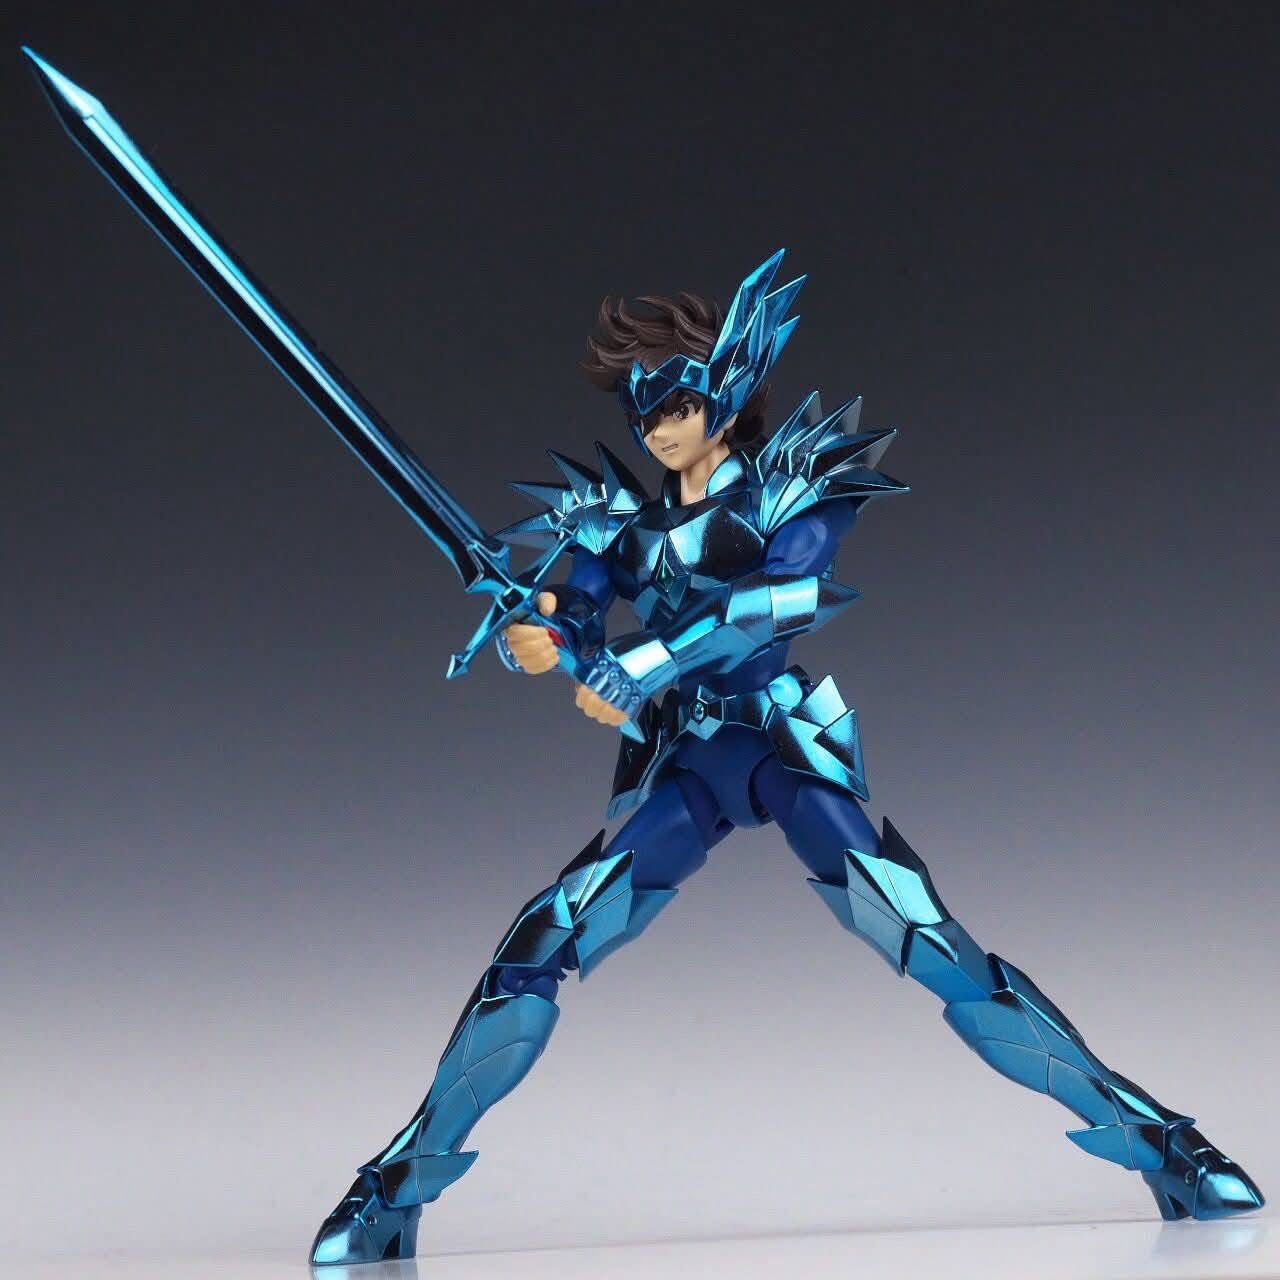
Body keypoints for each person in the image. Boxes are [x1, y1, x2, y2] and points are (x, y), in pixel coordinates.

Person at [309, 252, 1263, 1267]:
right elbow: (571, 603)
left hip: (776, 744)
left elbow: (777, 598)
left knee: (929, 940)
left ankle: (1163, 1143)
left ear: (724, 396)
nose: (656, 425)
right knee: (539, 941)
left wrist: (642, 660)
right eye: (643, 408)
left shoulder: (790, 488)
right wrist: (541, 634)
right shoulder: (621, 525)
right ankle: (394, 1190)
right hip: (689, 761)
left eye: (676, 403)